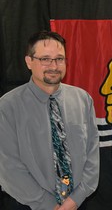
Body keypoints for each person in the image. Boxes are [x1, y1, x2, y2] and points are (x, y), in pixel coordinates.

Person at [0, 30, 100, 210]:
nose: (53, 65)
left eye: (59, 58)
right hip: (28, 205)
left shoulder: (83, 100)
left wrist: (75, 200)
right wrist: (47, 205)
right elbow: (8, 167)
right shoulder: (7, 106)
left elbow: (92, 155)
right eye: (45, 59)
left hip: (76, 204)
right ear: (29, 62)